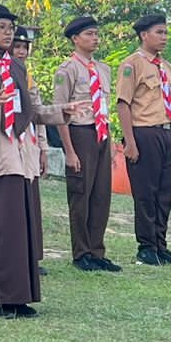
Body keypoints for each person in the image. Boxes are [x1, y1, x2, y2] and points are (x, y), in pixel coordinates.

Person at [0, 5, 78, 318]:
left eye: (11, 27)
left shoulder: (17, 67)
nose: (9, 33)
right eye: (2, 27)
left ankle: (16, 295)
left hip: (19, 160)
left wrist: (61, 111)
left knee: (18, 231)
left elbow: (33, 110)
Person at [53, 15, 120, 272]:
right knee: (81, 194)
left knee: (101, 195)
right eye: (89, 34)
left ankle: (97, 250)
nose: (95, 39)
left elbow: (104, 106)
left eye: (96, 34)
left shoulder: (103, 69)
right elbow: (61, 112)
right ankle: (81, 253)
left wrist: (110, 142)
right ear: (75, 38)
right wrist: (69, 151)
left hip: (100, 134)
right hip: (79, 134)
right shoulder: (67, 70)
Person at [116, 12, 171, 267]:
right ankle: (146, 246)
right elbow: (124, 104)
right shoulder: (132, 64)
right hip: (144, 131)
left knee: (164, 192)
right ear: (144, 35)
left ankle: (160, 244)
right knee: (146, 192)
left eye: (166, 32)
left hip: (168, 131)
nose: (164, 37)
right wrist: (130, 142)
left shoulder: (167, 67)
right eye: (159, 32)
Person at [10, 26, 48, 275]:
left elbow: (38, 114)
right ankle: (18, 256)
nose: (21, 52)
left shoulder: (29, 77)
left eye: (25, 47)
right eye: (17, 46)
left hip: (31, 146)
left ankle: (34, 256)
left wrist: (43, 147)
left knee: (32, 203)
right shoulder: (3, 74)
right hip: (12, 146)